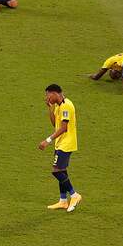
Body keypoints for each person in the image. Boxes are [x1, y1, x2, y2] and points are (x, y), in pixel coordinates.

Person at [37, 84, 82, 213]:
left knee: (56, 171)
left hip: (66, 144)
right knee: (62, 170)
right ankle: (63, 201)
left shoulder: (66, 106)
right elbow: (55, 124)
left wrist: (47, 140)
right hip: (61, 143)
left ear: (54, 93)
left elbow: (63, 128)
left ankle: (74, 195)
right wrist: (50, 108)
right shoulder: (58, 106)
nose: (47, 98)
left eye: (48, 95)